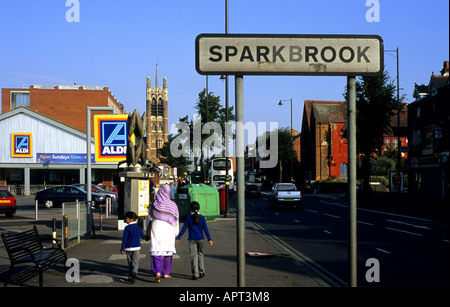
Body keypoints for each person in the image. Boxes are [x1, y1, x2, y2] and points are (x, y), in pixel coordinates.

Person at [146, 184, 179, 283]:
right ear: (168, 193)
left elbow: (149, 219)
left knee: (157, 251)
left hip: (157, 230)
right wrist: (175, 234)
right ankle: (166, 273)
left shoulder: (153, 204)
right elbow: (176, 220)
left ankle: (157, 272)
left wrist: (147, 231)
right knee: (168, 252)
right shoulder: (173, 205)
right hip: (168, 231)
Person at [176, 201, 213, 280]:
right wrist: (209, 239)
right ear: (199, 208)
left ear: (191, 209)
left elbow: (184, 229)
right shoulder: (202, 218)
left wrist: (178, 237)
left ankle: (195, 274)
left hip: (192, 239)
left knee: (193, 256)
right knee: (200, 254)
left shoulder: (188, 217)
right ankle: (201, 271)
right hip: (201, 239)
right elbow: (205, 229)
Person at [120, 211, 147, 284]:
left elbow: (124, 239)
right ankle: (134, 272)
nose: (125, 220)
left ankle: (130, 276)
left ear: (131, 219)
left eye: (126, 218)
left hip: (128, 248)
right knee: (135, 262)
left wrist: (122, 249)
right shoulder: (138, 227)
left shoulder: (127, 228)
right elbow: (143, 237)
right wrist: (148, 237)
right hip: (136, 248)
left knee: (130, 263)